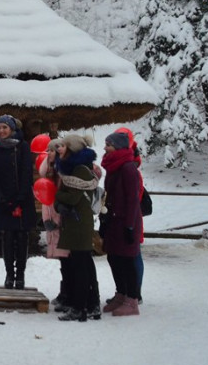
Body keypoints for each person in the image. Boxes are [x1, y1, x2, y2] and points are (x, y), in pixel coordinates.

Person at [53, 134, 102, 322]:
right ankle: (91, 304)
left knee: (81, 267)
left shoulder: (79, 170)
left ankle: (80, 307)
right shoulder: (75, 169)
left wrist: (57, 196)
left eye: (64, 146)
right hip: (76, 222)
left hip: (79, 223)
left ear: (72, 149)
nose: (60, 149)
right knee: (84, 264)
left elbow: (73, 198)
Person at [0, 114, 35, 289]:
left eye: (4, 127)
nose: (1, 131)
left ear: (12, 129)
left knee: (21, 236)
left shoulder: (22, 147)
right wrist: (0, 196)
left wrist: (20, 197)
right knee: (7, 237)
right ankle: (9, 274)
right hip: (3, 200)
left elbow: (27, 172)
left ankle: (20, 275)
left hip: (22, 199)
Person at [101, 131, 143, 316]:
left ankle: (132, 299)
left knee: (126, 259)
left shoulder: (127, 168)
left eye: (108, 144)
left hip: (126, 220)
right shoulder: (113, 166)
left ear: (117, 147)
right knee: (113, 257)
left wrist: (130, 226)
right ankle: (121, 293)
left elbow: (133, 199)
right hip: (113, 219)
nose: (105, 148)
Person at [39, 138, 71, 311]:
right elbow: (42, 172)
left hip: (61, 219)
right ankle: (64, 292)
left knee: (67, 259)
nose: (49, 154)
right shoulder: (50, 171)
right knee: (62, 260)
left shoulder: (63, 171)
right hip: (51, 217)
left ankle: (68, 293)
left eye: (52, 150)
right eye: (48, 150)